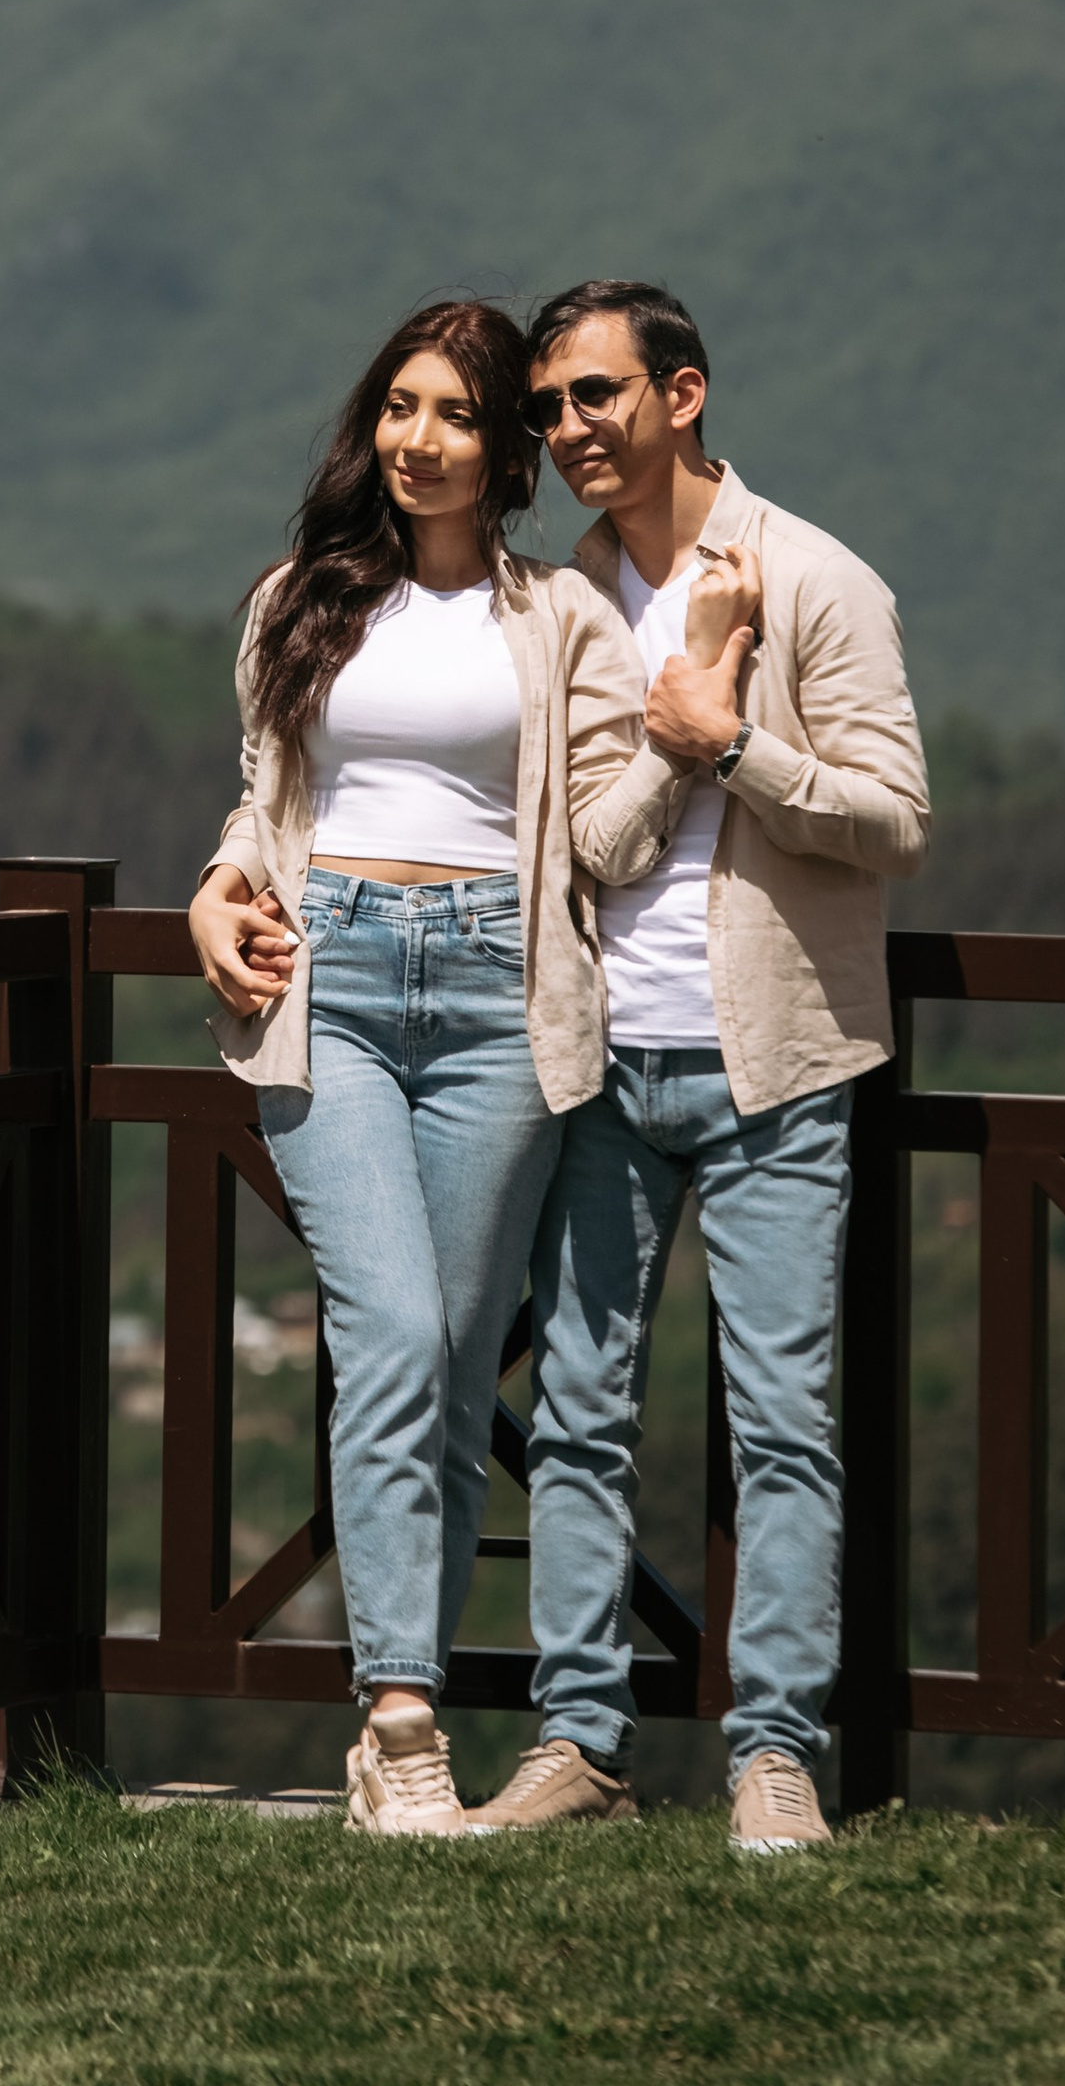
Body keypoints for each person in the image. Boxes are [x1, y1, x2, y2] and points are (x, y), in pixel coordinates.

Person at [189, 297, 753, 1838]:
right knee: (388, 1331)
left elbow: (599, 843)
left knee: (445, 1355)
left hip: (506, 1000)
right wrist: (213, 889)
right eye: (395, 409)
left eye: (450, 416)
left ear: (506, 451)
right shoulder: (297, 601)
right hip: (336, 983)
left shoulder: (556, 618)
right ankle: (404, 1721)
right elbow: (266, 801)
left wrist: (689, 732)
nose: (414, 441)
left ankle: (395, 1726)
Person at [471, 278, 929, 1856]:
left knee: (783, 1421)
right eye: (545, 409)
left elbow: (898, 822)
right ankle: (578, 1741)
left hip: (777, 1069)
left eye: (594, 396)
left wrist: (737, 742)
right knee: (581, 1413)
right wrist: (682, 739)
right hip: (601, 1063)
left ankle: (776, 1759)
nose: (568, 431)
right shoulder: (566, 601)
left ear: (685, 394)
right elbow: (584, 843)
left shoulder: (816, 579)